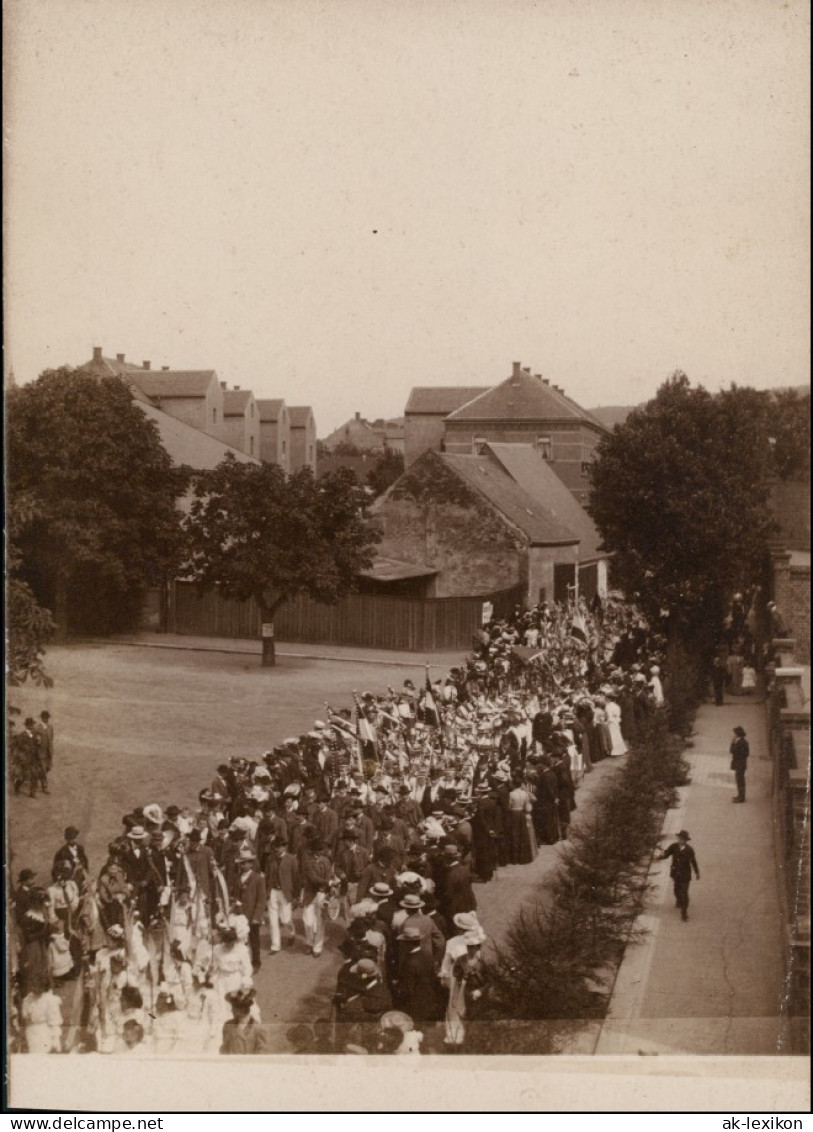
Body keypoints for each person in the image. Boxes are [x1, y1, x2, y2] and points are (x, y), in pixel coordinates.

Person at [659, 830, 700, 921]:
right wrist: (660, 856)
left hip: (685, 875)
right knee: (676, 890)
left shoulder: (689, 850)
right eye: (679, 838)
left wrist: (697, 872)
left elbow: (693, 862)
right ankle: (679, 900)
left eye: (682, 839)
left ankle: (684, 913)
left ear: (685, 840)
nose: (680, 840)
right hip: (675, 874)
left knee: (684, 893)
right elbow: (666, 854)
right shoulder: (674, 847)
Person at [730, 725, 750, 803]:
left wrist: (732, 743)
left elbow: (732, 751)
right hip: (741, 764)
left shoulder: (740, 742)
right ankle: (740, 796)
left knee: (740, 780)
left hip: (740, 764)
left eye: (734, 733)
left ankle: (741, 798)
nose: (733, 735)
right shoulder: (743, 741)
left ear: (737, 734)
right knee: (740, 780)